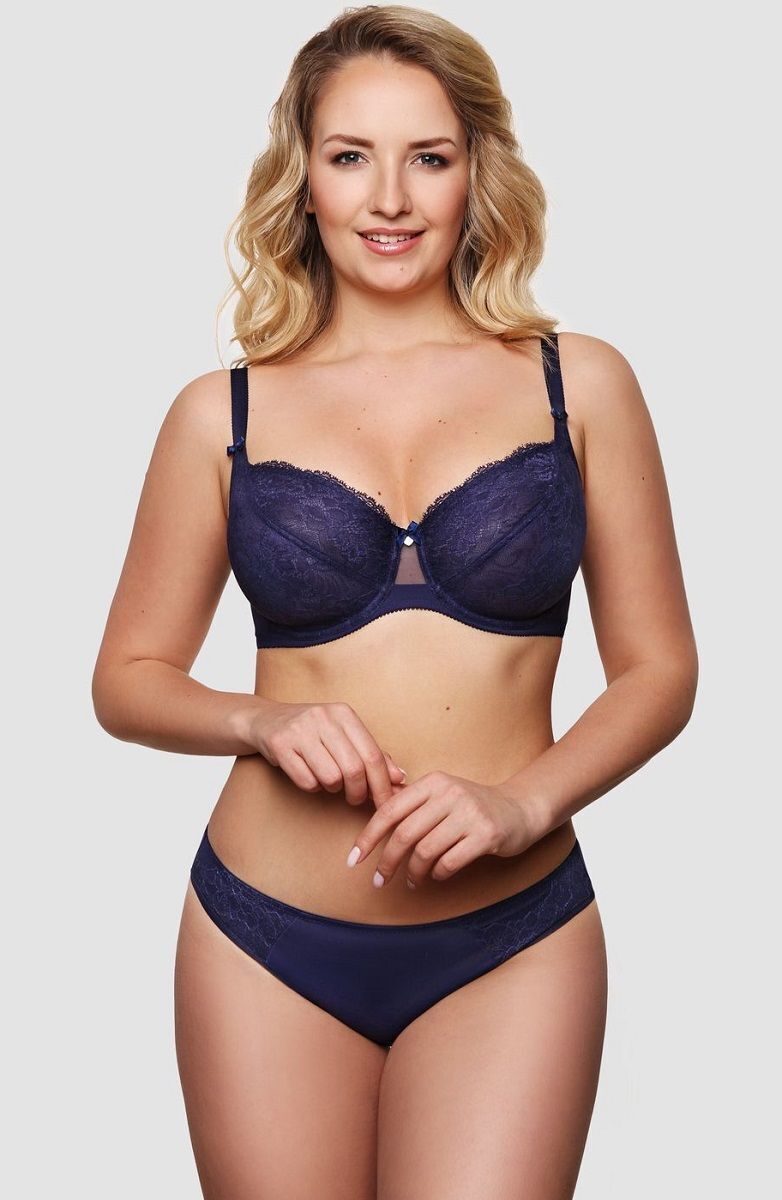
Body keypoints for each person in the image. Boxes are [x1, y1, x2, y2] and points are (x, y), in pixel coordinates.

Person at [91, 5, 698, 1197]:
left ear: (475, 172)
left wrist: (523, 803)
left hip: (510, 936)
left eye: (427, 157)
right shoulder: (221, 415)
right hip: (262, 938)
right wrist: (258, 718)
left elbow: (659, 669)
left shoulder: (579, 386)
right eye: (348, 156)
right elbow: (126, 677)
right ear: (303, 178)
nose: (388, 198)